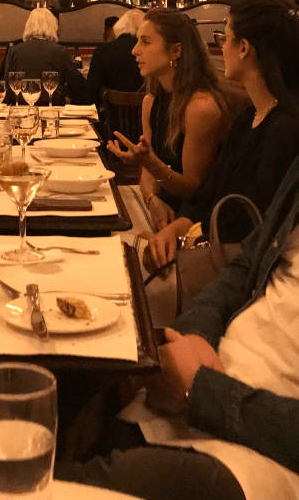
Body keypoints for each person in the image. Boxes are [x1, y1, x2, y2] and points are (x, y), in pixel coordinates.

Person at [58, 151, 299, 500]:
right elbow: (245, 264)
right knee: (68, 383)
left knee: (91, 480)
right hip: (213, 370)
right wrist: (192, 334)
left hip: (263, 443)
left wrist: (202, 394)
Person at [144, 0, 299, 273]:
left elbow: (253, 229)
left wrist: (188, 242)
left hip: (240, 271)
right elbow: (207, 195)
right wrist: (173, 231)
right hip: (212, 251)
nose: (221, 47)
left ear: (244, 48)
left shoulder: (284, 130)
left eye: (224, 38)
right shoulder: (249, 119)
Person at [107, 9, 231, 229]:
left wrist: (150, 163)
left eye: (146, 42)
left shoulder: (199, 107)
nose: (135, 50)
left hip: (194, 223)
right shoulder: (151, 101)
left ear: (175, 51)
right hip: (162, 210)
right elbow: (148, 170)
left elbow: (195, 190)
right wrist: (152, 200)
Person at [1, 7, 87, 107]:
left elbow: (6, 84)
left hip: (20, 107)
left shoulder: (14, 51)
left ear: (28, 26)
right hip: (52, 107)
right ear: (53, 27)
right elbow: (77, 84)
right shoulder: (59, 51)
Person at [85, 9, 145, 108]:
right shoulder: (148, 51)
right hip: (146, 114)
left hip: (110, 115)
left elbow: (91, 92)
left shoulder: (103, 51)